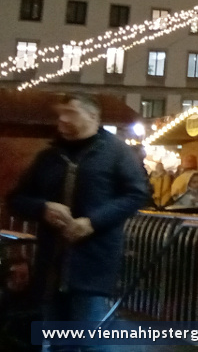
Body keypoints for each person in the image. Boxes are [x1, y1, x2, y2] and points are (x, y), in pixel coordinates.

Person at [7, 93, 149, 352]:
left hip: (93, 265)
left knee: (91, 340)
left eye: (70, 113)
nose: (62, 119)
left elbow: (136, 194)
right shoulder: (49, 157)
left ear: (93, 116)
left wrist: (92, 222)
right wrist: (43, 208)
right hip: (52, 266)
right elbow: (16, 198)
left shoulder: (117, 152)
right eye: (60, 113)